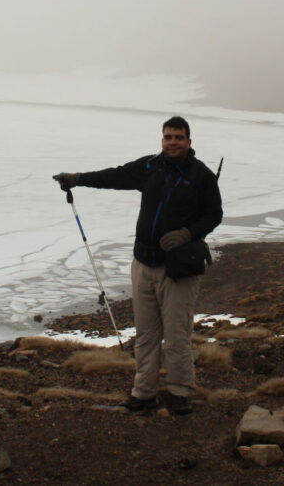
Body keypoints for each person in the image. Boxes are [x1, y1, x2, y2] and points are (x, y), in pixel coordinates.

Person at [53, 116, 223, 415]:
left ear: (189, 142)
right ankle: (143, 392)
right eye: (168, 137)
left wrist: (186, 234)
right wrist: (78, 178)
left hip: (179, 269)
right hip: (143, 263)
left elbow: (213, 215)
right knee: (145, 334)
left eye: (179, 137)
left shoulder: (201, 176)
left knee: (177, 334)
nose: (173, 142)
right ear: (162, 140)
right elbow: (115, 176)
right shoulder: (150, 167)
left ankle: (180, 391)